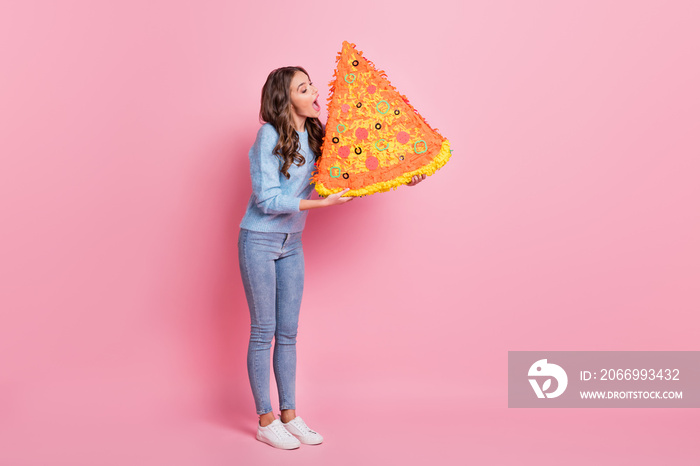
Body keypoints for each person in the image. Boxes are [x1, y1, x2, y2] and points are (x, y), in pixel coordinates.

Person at [238, 66, 425, 450]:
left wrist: (405, 171)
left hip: (292, 243)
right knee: (264, 332)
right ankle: (265, 418)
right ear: (285, 99)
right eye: (303, 88)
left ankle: (289, 415)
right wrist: (320, 204)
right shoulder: (268, 135)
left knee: (288, 333)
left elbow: (356, 169)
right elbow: (267, 199)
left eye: (311, 85)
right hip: (259, 239)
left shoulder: (317, 134)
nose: (314, 91)